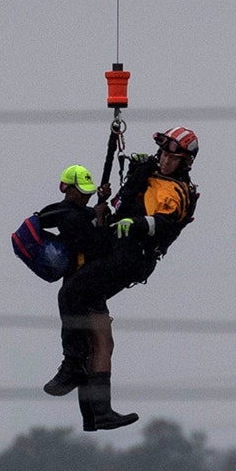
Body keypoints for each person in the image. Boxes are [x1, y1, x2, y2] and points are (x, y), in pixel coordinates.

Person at [46, 127, 199, 431]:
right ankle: (97, 413)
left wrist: (139, 223)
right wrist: (112, 197)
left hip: (132, 258)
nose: (166, 160)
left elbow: (166, 222)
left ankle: (71, 365)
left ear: (185, 162)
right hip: (112, 247)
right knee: (97, 332)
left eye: (174, 157)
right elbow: (121, 205)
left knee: (72, 294)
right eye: (165, 153)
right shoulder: (146, 172)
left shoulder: (179, 190)